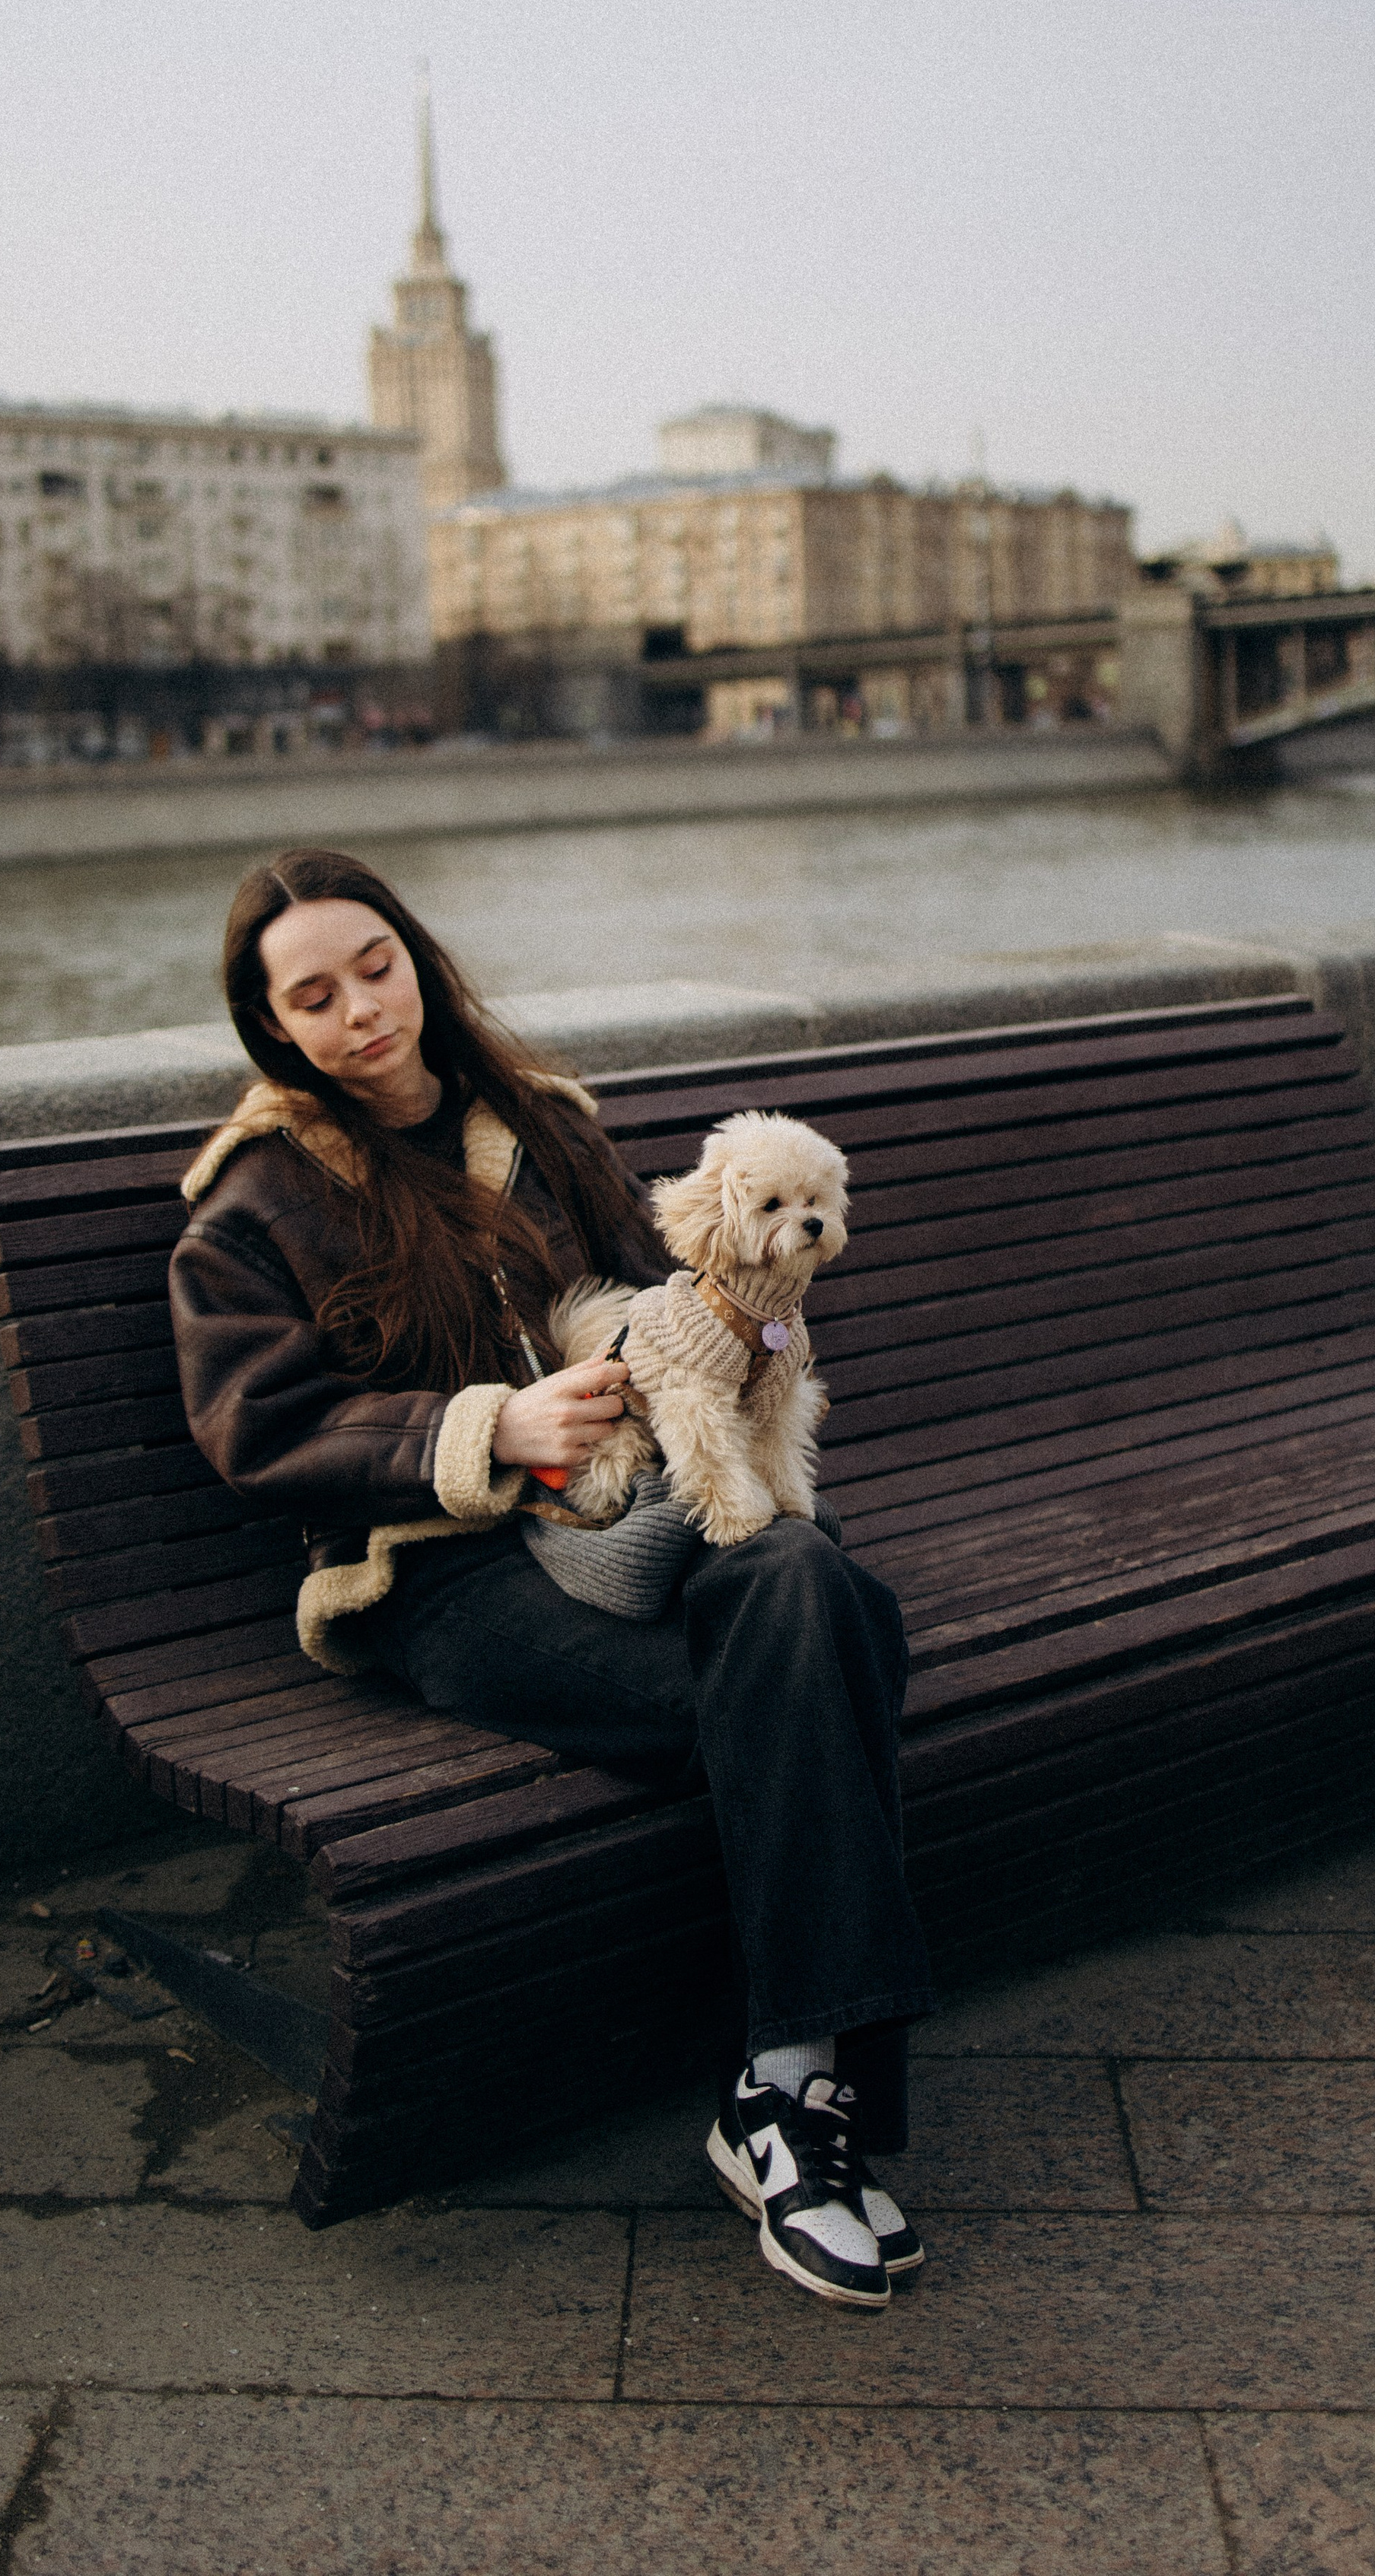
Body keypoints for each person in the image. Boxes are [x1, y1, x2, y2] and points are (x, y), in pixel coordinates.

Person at [170, 848, 935, 2309]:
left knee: (806, 1592)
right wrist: (485, 1428)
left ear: (416, 957)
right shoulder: (253, 1206)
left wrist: (690, 1354)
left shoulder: (544, 1126)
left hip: (635, 1517)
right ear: (277, 1030)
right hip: (446, 1581)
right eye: (313, 997)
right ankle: (805, 2107)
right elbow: (255, 1433)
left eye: (374, 967)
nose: (359, 1012)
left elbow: (679, 1304)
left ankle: (782, 2088)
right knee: (836, 1642)